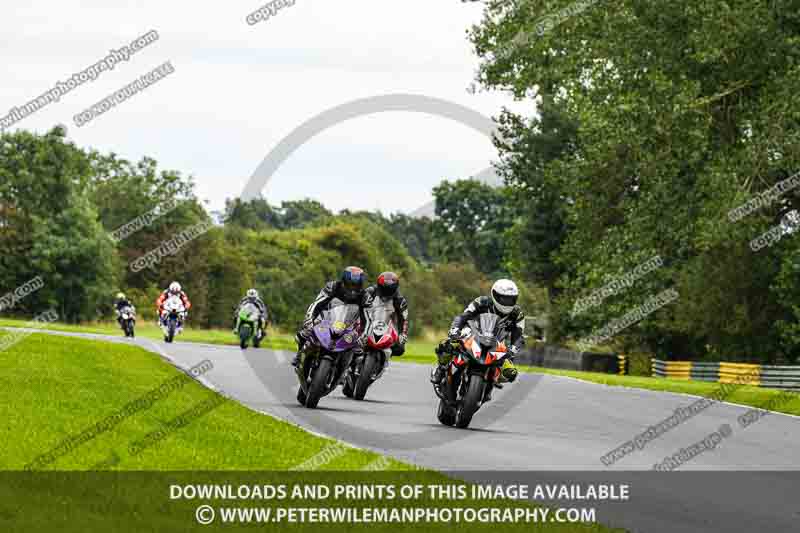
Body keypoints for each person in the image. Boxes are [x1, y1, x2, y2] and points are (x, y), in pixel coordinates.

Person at [431, 279, 524, 390]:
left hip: (498, 344)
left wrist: (513, 349)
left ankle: (493, 379)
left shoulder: (517, 314)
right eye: (504, 299)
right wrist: (455, 329)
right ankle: (441, 369)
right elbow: (463, 316)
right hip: (473, 334)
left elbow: (519, 335)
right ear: (495, 295)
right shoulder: (481, 302)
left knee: (511, 373)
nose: (507, 303)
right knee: (448, 345)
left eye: (511, 299)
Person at [291, 266, 370, 367]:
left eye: (355, 286)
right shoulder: (332, 286)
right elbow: (316, 303)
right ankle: (299, 354)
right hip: (327, 317)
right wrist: (309, 318)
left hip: (351, 324)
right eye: (349, 285)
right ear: (343, 282)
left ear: (361, 285)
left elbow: (368, 317)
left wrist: (364, 334)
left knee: (359, 349)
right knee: (304, 333)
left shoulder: (364, 296)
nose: (352, 289)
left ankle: (349, 371)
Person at [362, 271, 409, 356]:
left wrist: (403, 334)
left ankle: (384, 358)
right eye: (384, 289)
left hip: (387, 326)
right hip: (368, 321)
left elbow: (404, 319)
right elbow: (359, 307)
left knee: (399, 349)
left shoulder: (400, 300)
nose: (386, 293)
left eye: (389, 290)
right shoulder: (370, 291)